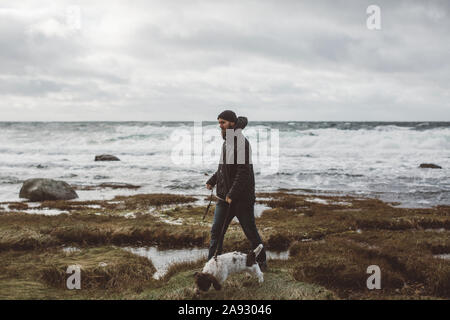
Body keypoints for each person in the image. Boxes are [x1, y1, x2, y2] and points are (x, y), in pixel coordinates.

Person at [205, 109, 267, 271]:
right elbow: (224, 169)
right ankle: (211, 267)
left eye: (223, 123)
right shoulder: (227, 141)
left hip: (241, 199)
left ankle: (262, 263)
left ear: (232, 123)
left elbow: (243, 171)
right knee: (216, 234)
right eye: (219, 123)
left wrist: (232, 194)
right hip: (224, 199)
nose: (220, 126)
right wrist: (213, 180)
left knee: (251, 233)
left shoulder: (240, 142)